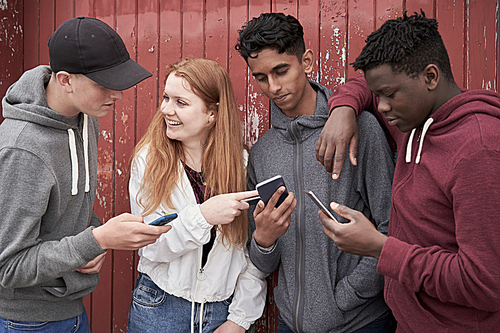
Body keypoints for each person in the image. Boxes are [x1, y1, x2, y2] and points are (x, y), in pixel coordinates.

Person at [320, 11, 500, 333]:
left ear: (431, 77)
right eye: (378, 97)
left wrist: (380, 247)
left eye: (389, 94)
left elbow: (484, 283)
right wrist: (343, 110)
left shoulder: (480, 150)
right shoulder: (413, 119)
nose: (382, 106)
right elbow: (363, 82)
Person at [0, 16, 171, 332]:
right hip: (25, 322)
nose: (117, 95)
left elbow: (70, 210)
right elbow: (7, 267)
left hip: (72, 312)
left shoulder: (84, 116)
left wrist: (93, 242)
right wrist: (99, 238)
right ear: (65, 80)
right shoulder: (22, 149)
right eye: (104, 84)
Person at [235, 13, 395, 333]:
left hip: (359, 322)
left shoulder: (359, 128)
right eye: (261, 77)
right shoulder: (262, 154)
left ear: (305, 61)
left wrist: (346, 296)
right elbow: (264, 263)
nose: (274, 87)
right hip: (290, 325)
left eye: (281, 70)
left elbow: (393, 226)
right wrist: (263, 240)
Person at [126, 58, 267, 333]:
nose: (166, 109)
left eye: (181, 102)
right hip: (160, 307)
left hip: (220, 311)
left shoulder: (241, 163)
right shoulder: (149, 160)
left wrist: (240, 318)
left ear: (212, 114)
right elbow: (151, 245)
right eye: (166, 97)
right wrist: (203, 216)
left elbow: (254, 248)